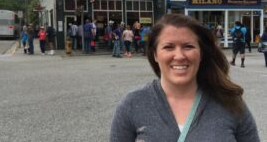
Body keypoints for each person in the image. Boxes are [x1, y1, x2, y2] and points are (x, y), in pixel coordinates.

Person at [110, 14, 259, 142]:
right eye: (168, 47)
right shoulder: (132, 104)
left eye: (188, 46)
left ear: (201, 54)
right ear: (155, 54)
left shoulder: (230, 103)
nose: (180, 56)